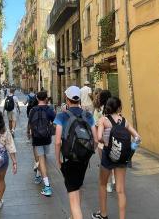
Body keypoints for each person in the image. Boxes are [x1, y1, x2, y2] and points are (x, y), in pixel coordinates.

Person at [92, 97, 141, 219]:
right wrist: (131, 149)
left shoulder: (103, 120)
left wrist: (108, 143)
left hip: (107, 156)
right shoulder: (124, 121)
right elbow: (137, 137)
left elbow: (98, 138)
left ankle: (103, 214)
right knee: (120, 190)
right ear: (119, 108)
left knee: (103, 184)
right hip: (122, 157)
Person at [54, 86, 97, 219]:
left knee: (72, 196)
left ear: (67, 99)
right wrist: (89, 153)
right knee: (77, 186)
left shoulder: (62, 116)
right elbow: (95, 139)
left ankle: (76, 215)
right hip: (83, 159)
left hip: (69, 159)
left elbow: (57, 141)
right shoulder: (88, 115)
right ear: (79, 100)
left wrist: (57, 160)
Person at [27, 91, 56, 196]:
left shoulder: (33, 110)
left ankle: (47, 186)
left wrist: (28, 133)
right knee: (42, 157)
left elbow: (30, 123)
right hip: (47, 138)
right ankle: (38, 174)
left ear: (37, 98)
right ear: (46, 98)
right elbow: (56, 122)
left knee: (41, 160)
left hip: (37, 138)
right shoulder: (49, 110)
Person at [93, 90, 114, 192]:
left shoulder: (98, 110)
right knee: (114, 159)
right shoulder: (114, 109)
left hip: (103, 141)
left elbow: (96, 126)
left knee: (105, 164)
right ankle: (114, 178)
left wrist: (96, 142)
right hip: (114, 140)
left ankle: (108, 184)